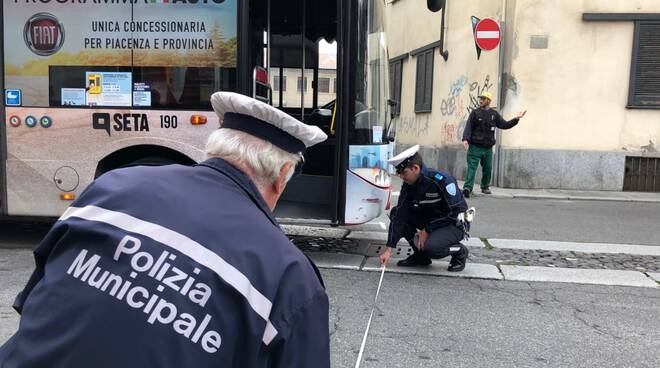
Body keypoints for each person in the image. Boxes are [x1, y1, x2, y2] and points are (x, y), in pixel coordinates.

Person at [0, 92, 331, 368]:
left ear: (217, 146)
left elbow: (35, 296)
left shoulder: (113, 185)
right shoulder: (290, 275)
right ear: (283, 173)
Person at [379, 145, 470, 272]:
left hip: (453, 224)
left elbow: (454, 212)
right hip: (431, 221)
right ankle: (421, 257)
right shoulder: (408, 185)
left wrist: (427, 230)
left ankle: (459, 251)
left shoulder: (442, 180)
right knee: (396, 213)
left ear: (415, 168)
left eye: (403, 172)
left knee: (431, 248)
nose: (401, 177)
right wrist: (389, 249)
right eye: (398, 173)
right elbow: (401, 215)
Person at [461, 91, 526, 197]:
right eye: (480, 98)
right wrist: (465, 139)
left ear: (488, 101)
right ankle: (468, 188)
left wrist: (516, 119)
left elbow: (504, 125)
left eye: (483, 98)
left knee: (488, 168)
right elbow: (469, 126)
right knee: (472, 167)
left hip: (488, 148)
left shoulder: (494, 114)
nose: (481, 100)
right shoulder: (475, 113)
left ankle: (485, 186)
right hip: (475, 146)